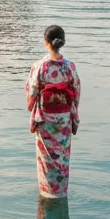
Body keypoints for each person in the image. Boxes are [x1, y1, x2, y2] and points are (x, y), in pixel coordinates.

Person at [24, 25, 80, 198]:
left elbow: (32, 94)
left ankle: (47, 193)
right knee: (62, 158)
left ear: (45, 42)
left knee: (46, 159)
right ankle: (61, 192)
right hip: (63, 121)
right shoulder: (69, 67)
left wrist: (31, 104)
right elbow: (75, 93)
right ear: (62, 42)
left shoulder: (39, 66)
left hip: (45, 121)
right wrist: (72, 113)